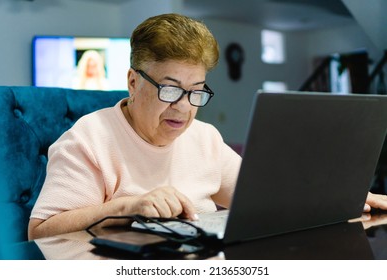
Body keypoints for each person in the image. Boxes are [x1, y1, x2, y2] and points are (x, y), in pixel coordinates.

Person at [28, 13, 387, 240]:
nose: (184, 108)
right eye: (170, 90)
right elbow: (39, 231)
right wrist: (124, 207)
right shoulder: (87, 139)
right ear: (134, 83)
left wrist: (340, 198)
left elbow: (263, 201)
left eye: (196, 92)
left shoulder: (205, 138)